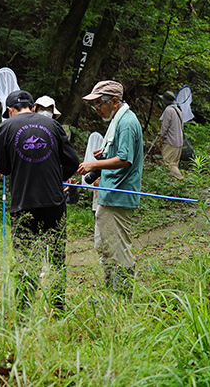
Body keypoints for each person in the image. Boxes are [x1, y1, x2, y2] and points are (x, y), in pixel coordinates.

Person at [0, 90, 79, 312]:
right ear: (32, 108)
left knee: (26, 259)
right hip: (54, 201)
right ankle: (59, 307)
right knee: (57, 257)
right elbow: (72, 161)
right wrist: (54, 178)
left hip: (23, 202)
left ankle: (25, 310)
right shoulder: (52, 125)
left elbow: (2, 168)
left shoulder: (5, 127)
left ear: (11, 110)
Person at [77, 80, 143, 296]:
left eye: (99, 104)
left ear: (114, 101)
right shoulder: (118, 120)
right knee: (105, 248)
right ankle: (110, 297)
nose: (97, 110)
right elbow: (117, 154)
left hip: (119, 196)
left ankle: (123, 302)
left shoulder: (126, 122)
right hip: (109, 193)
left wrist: (93, 164)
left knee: (119, 251)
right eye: (94, 105)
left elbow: (125, 159)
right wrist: (104, 156)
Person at [158, 90, 184, 180]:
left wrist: (160, 138)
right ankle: (174, 185)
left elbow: (165, 127)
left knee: (169, 163)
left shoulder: (168, 110)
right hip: (179, 142)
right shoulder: (178, 110)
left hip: (170, 142)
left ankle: (181, 179)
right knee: (175, 163)